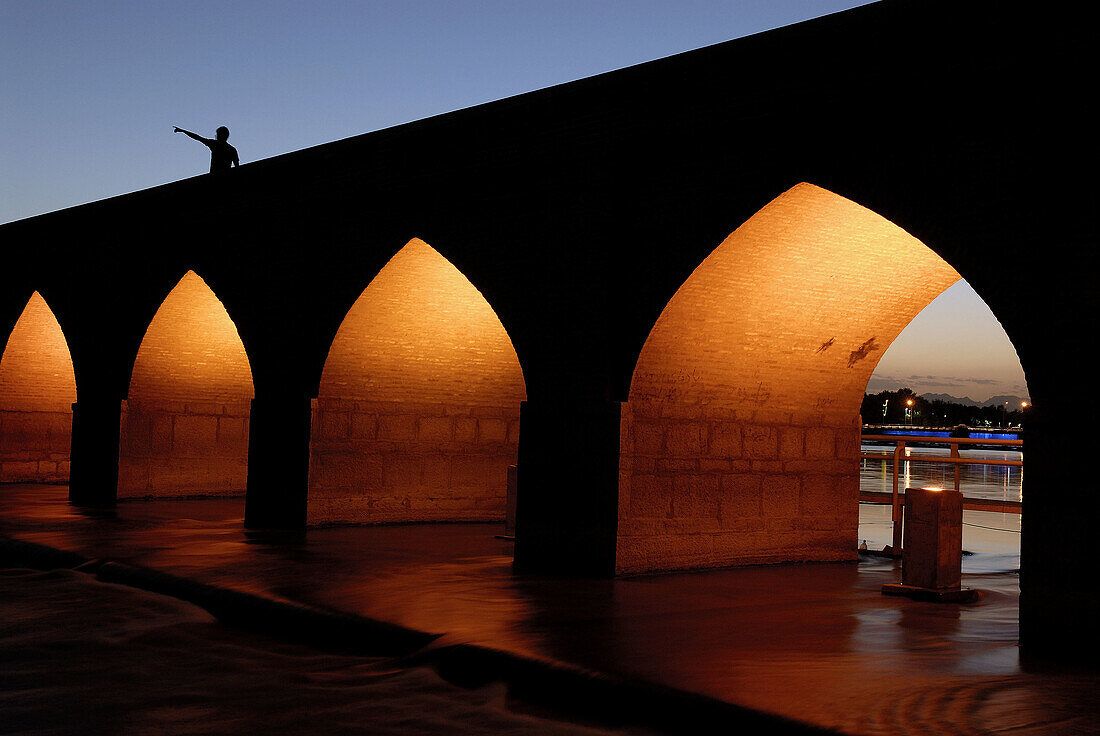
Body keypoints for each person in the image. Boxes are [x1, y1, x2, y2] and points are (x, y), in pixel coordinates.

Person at [174, 125, 239, 173]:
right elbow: (237, 167)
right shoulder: (232, 149)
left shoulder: (214, 144)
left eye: (218, 134)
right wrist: (183, 131)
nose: (217, 136)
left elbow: (197, 137)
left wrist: (183, 131)